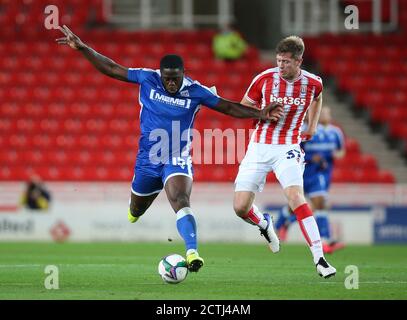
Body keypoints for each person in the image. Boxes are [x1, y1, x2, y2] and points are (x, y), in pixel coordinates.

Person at [56, 25, 284, 273]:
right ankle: (138, 209)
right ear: (161, 74)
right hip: (148, 159)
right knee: (135, 211)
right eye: (167, 78)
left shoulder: (196, 91)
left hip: (177, 156)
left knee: (180, 199)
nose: (171, 83)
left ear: (184, 74)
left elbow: (228, 107)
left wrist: (259, 113)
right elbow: (112, 68)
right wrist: (84, 49)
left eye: (176, 78)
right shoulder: (147, 77)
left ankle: (192, 251)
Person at [232, 35, 337, 278]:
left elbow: (318, 98)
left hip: (288, 147)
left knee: (295, 197)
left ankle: (320, 259)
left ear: (299, 61)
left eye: (286, 62)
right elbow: (241, 108)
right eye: (278, 60)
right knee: (240, 207)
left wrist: (311, 126)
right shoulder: (264, 80)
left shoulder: (313, 83)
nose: (281, 66)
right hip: (259, 146)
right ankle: (264, 224)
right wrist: (261, 113)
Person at [275, 106, 346, 254]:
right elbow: (293, 150)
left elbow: (341, 151)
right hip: (303, 172)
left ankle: (325, 239)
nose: (325, 115)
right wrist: (310, 157)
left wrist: (335, 155)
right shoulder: (305, 130)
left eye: (327, 112)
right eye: (322, 112)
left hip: (321, 174)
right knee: (297, 206)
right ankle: (281, 226)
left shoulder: (335, 132)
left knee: (319, 205)